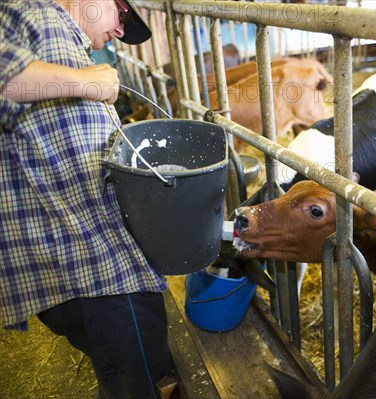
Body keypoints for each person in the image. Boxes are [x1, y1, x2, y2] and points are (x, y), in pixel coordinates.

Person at [1, 1, 173, 398]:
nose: (117, 31)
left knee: (138, 367)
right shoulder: (31, 11)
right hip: (90, 264)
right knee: (137, 378)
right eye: (122, 16)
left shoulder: (68, 44)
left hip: (96, 256)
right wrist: (88, 82)